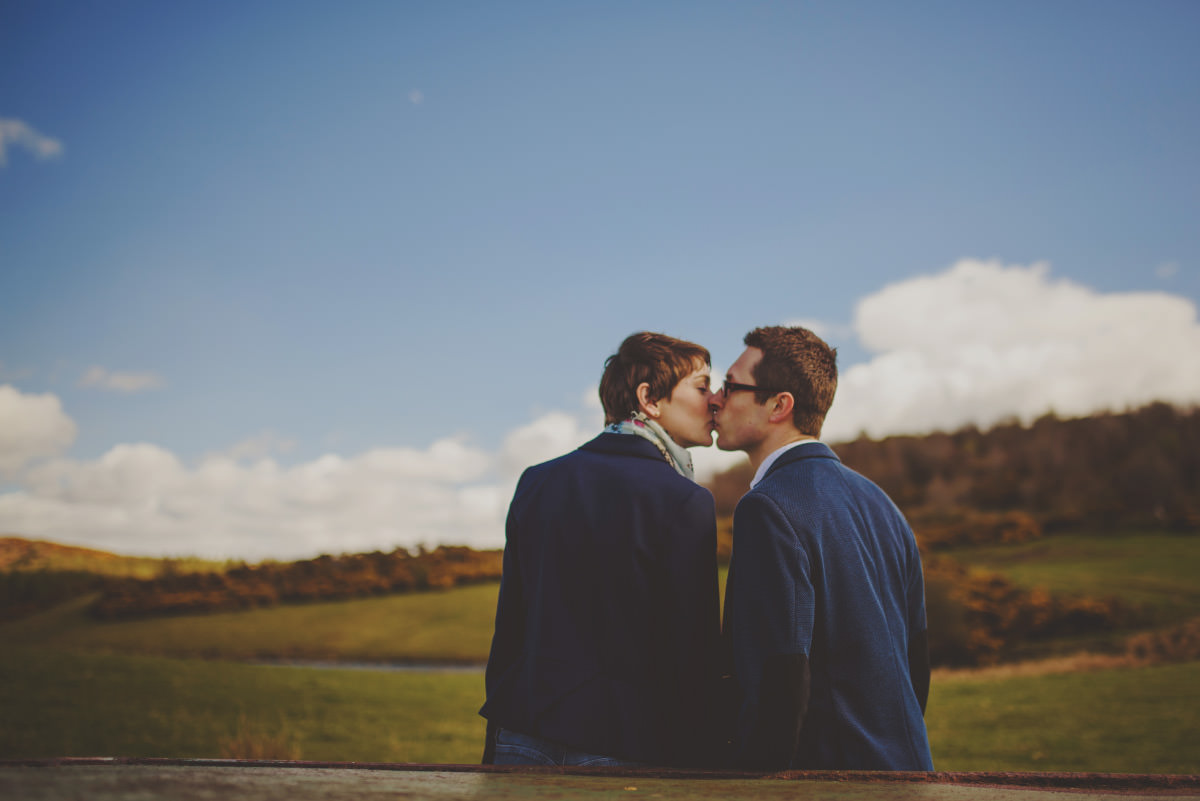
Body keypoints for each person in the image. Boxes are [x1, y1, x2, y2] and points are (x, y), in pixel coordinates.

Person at [479, 331, 723, 767]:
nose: (716, 401)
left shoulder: (536, 481)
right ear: (649, 398)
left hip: (521, 732)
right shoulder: (685, 500)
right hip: (623, 746)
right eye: (703, 387)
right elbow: (692, 653)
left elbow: (509, 630)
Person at [709, 325, 933, 771]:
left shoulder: (767, 507)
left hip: (829, 778)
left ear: (779, 404)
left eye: (731, 385)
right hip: (908, 770)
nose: (715, 398)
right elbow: (917, 663)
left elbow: (779, 676)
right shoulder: (883, 504)